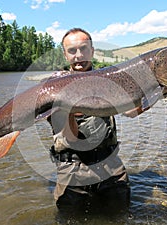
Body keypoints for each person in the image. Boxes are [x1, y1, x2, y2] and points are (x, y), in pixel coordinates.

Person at [48, 28, 130, 214]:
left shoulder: (109, 80)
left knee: (120, 217)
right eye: (72, 51)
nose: (78, 56)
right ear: (65, 55)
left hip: (111, 164)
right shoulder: (53, 88)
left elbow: (132, 112)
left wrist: (162, 90)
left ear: (92, 51)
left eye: (83, 49)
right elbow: (71, 137)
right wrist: (67, 111)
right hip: (73, 168)